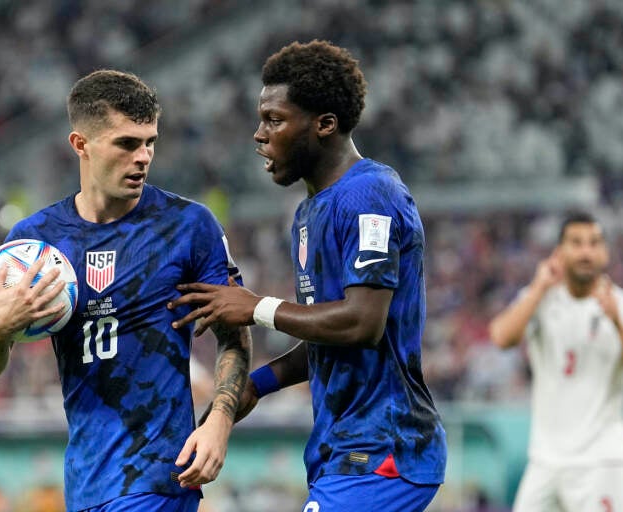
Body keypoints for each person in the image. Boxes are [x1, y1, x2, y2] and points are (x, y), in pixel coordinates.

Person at [168, 40, 446, 512]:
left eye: (275, 120)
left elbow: (362, 323)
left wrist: (257, 308)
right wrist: (258, 384)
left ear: (325, 125)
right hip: (344, 451)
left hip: (385, 450)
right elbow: (329, 333)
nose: (259, 134)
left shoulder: (369, 195)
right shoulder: (308, 213)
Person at [0, 70, 251, 512]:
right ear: (80, 145)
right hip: (86, 482)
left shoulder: (189, 227)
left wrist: (219, 419)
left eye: (150, 142)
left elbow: (235, 333)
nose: (143, 157)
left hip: (158, 477)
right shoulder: (35, 243)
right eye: (127, 144)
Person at [488, 211, 623, 512]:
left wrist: (619, 325)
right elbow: (501, 337)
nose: (586, 251)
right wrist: (539, 287)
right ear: (559, 251)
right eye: (577, 243)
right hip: (545, 459)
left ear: (605, 252)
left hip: (602, 461)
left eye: (594, 243)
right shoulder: (540, 299)